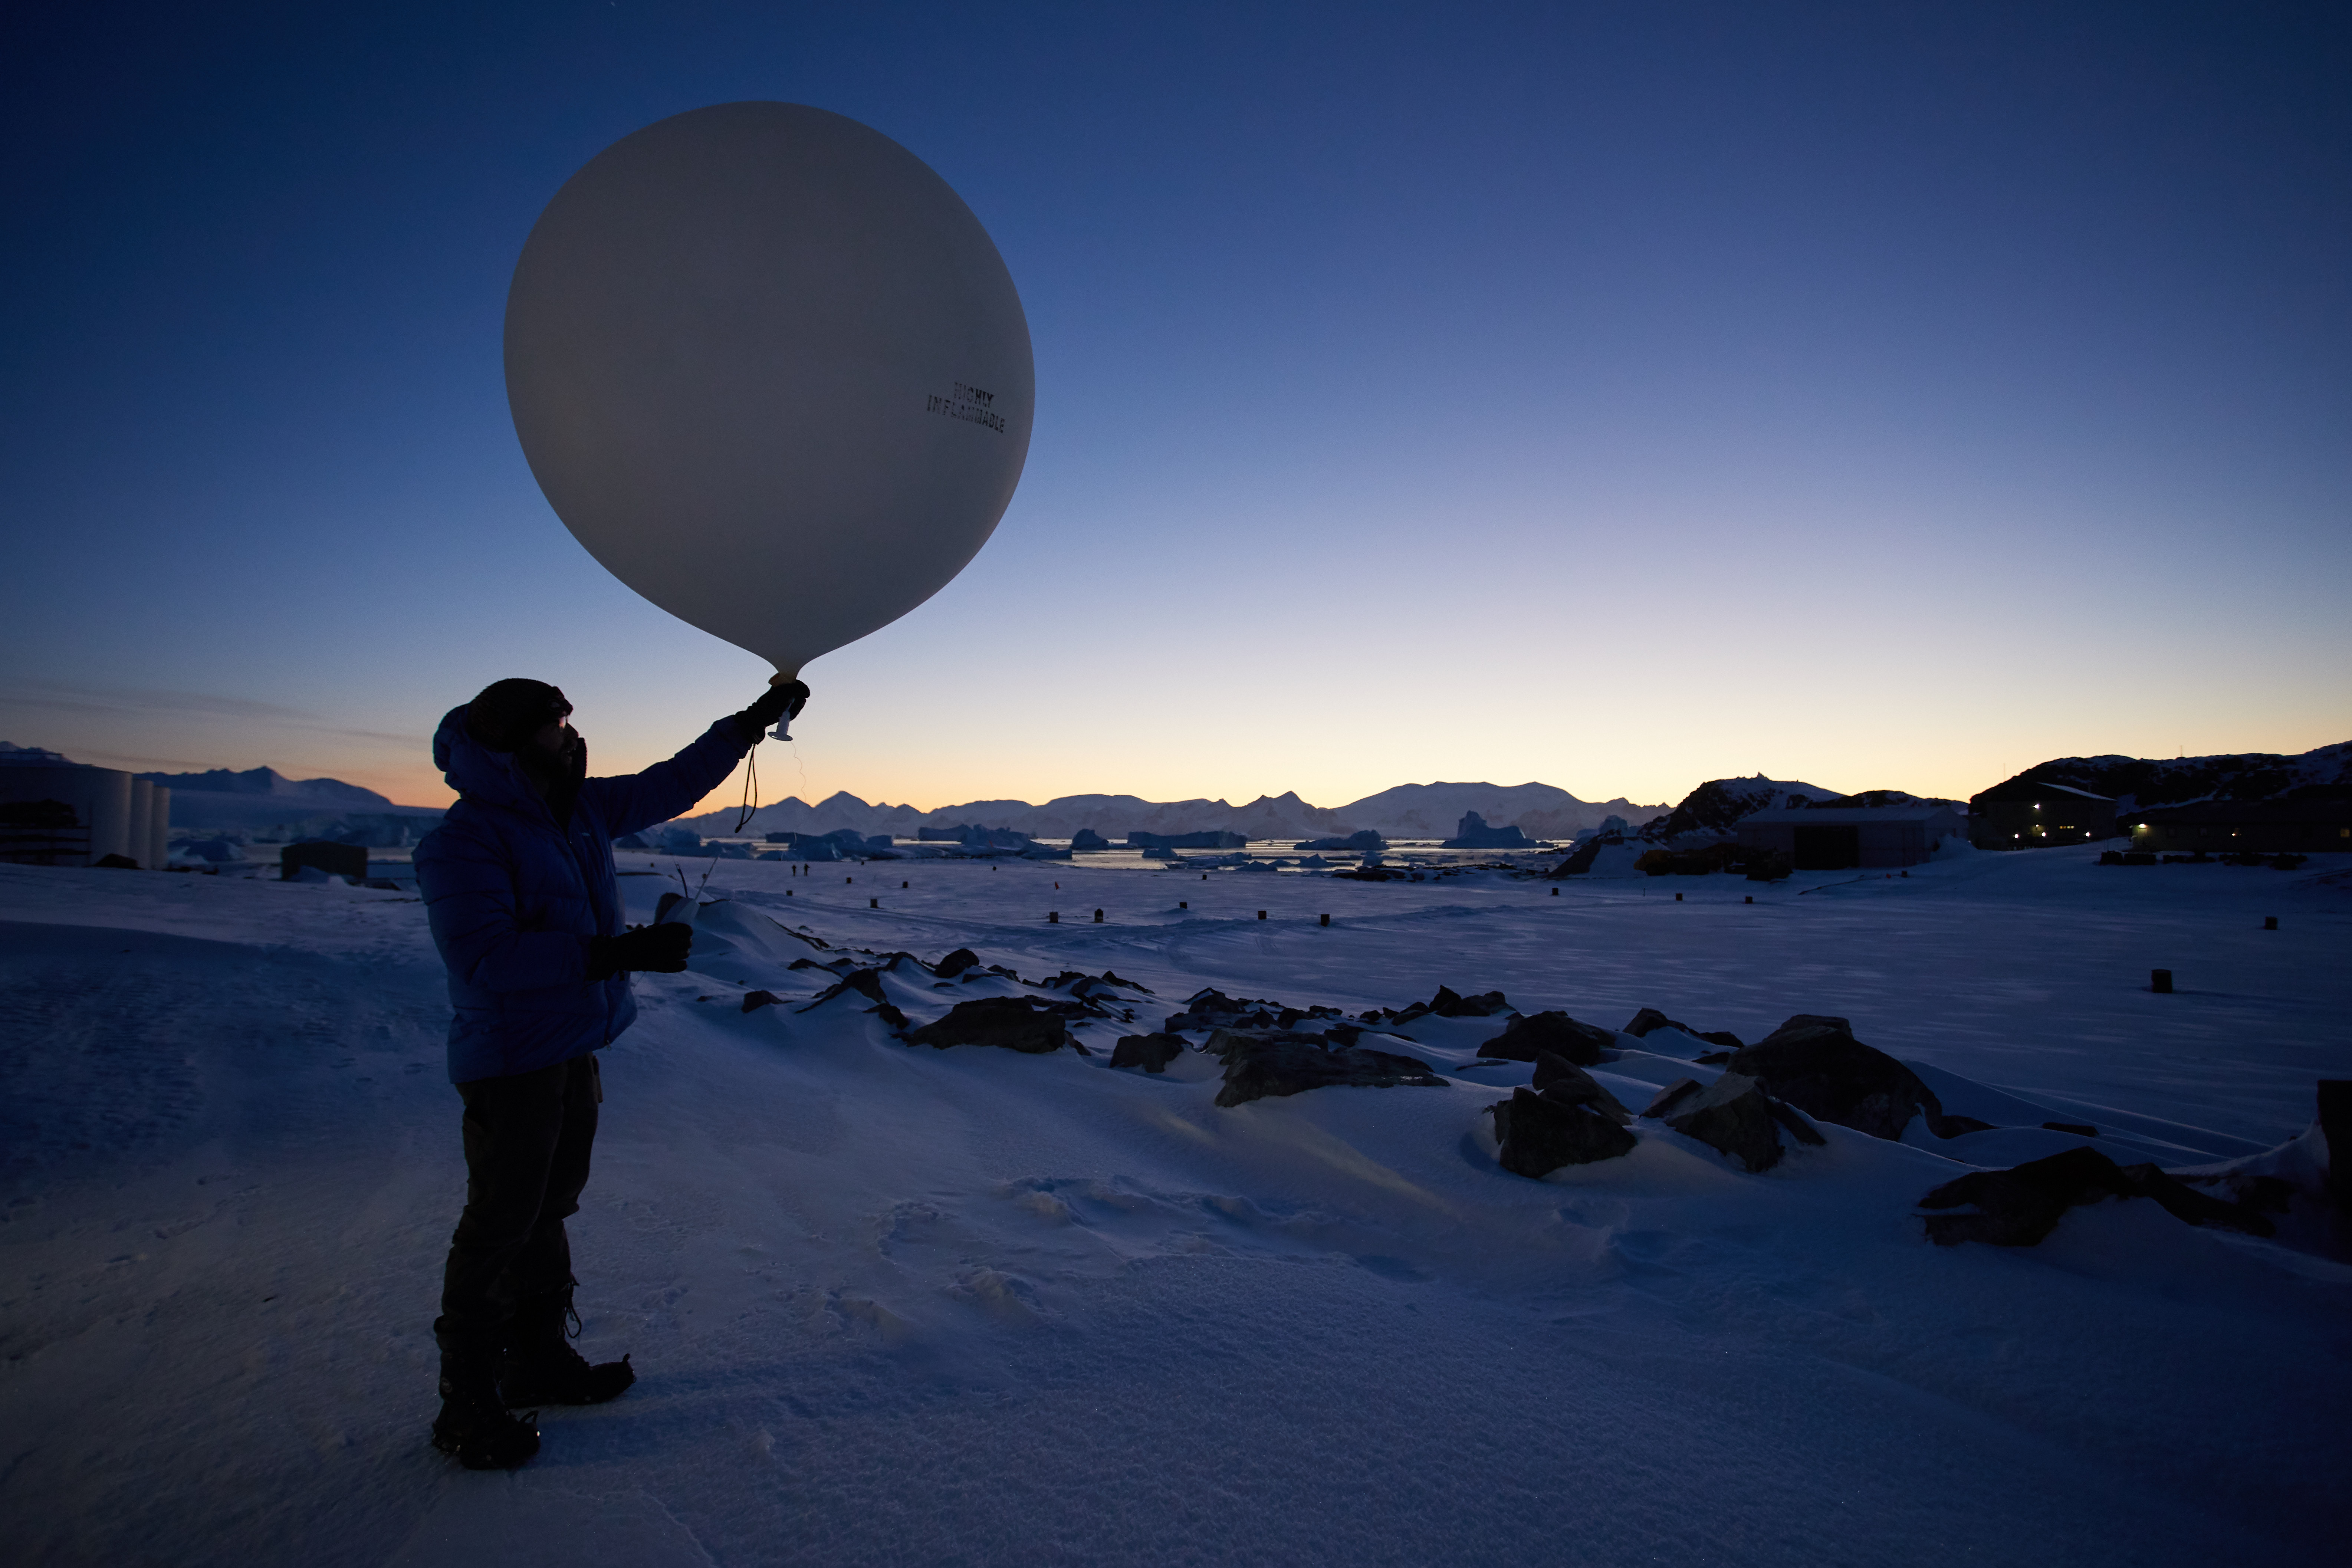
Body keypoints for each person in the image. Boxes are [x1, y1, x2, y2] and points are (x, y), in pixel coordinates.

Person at [412, 675, 805, 1469]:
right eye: (557, 724)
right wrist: (614, 952)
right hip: (511, 1057)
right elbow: (485, 956)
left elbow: (672, 782)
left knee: (548, 1207)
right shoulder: (466, 838)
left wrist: (747, 724)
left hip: (569, 1047)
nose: (570, 734)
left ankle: (537, 1358)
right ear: (512, 739)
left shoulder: (578, 808)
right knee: (499, 1223)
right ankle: (466, 1402)